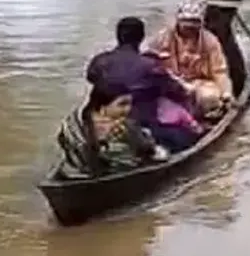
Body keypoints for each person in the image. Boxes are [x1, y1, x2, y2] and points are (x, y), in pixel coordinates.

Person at [85, 16, 198, 153]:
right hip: (141, 124)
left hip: (101, 121)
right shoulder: (150, 66)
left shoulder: (99, 61)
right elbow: (177, 91)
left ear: (117, 36)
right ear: (142, 37)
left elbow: (91, 77)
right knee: (187, 138)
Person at [145, 0, 232, 118]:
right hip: (170, 81)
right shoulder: (162, 38)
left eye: (194, 24)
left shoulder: (210, 41)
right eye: (186, 23)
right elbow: (149, 61)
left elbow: (219, 72)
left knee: (209, 97)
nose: (190, 28)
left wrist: (226, 93)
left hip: (200, 83)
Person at [57, 81, 166, 175]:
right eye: (122, 104)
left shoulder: (75, 119)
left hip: (73, 171)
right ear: (102, 106)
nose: (128, 108)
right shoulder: (122, 126)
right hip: (101, 171)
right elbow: (145, 148)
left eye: (129, 103)